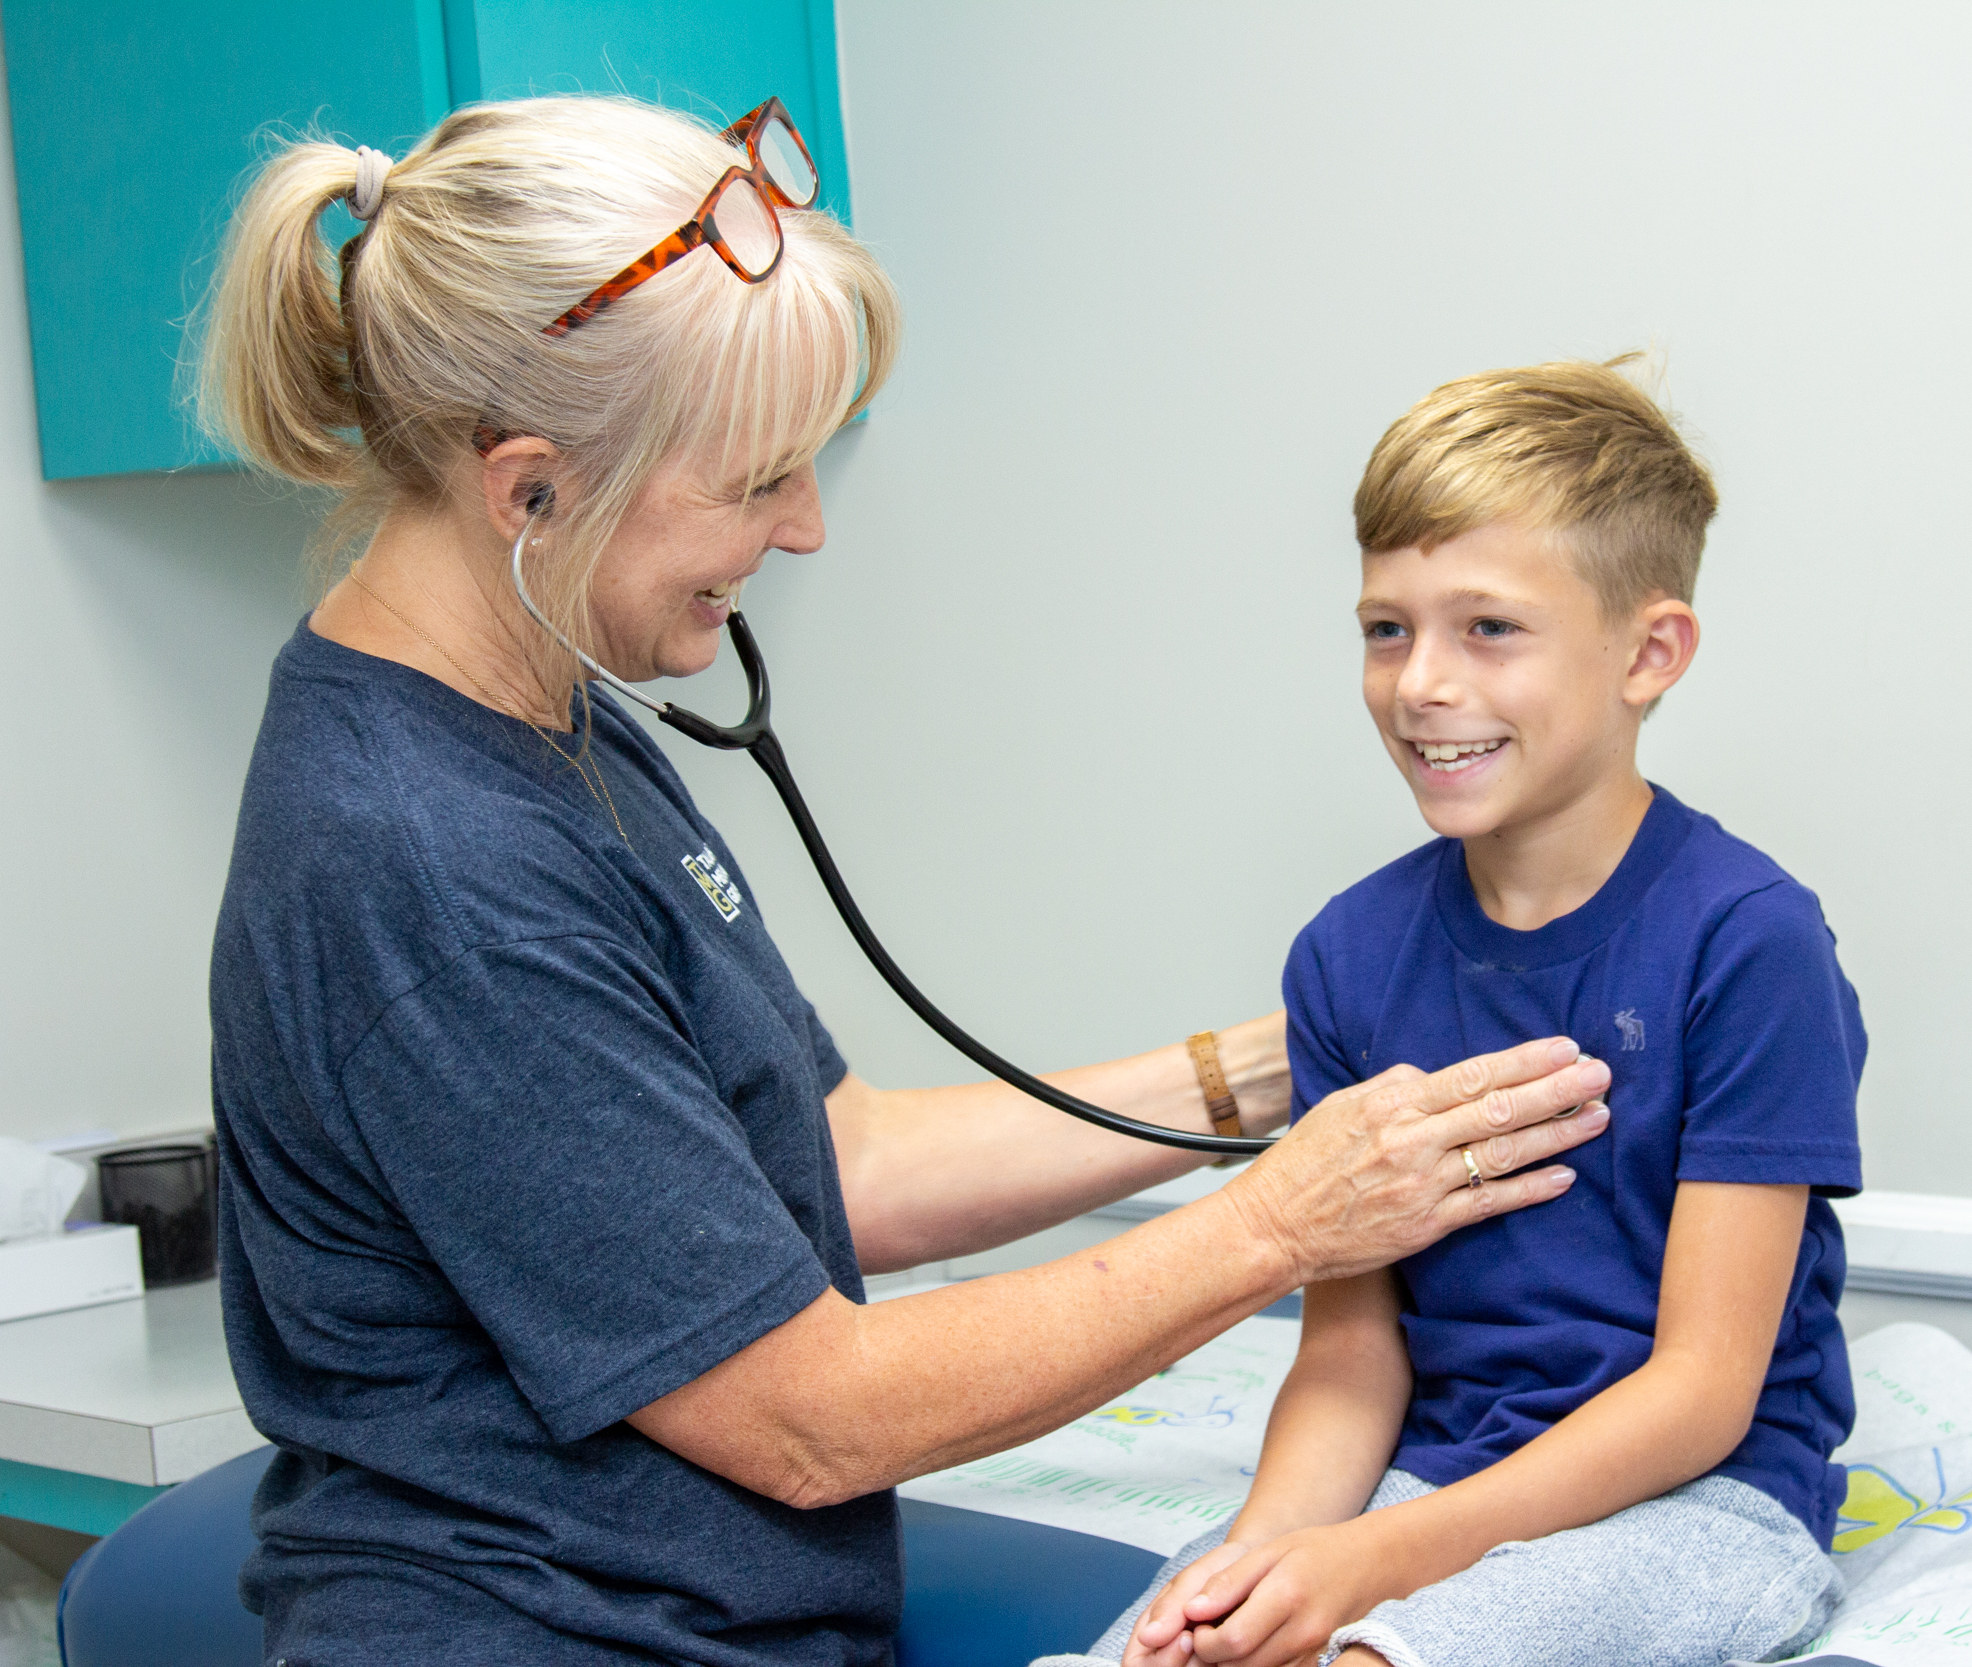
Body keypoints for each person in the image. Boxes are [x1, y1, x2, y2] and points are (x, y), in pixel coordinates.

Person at [199, 96, 1615, 1666]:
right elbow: (812, 1417)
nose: (804, 530)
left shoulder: (547, 717)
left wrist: (1271, 1072)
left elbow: (840, 1162)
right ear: (528, 489)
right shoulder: (432, 868)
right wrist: (1289, 1222)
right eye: (756, 483)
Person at [1053, 360, 1868, 1667]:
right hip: (1426, 1485)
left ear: (1649, 653)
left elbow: (1704, 1395)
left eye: (1488, 628)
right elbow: (1352, 1357)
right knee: (1174, 1648)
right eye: (1387, 628)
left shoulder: (1747, 942)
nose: (1421, 683)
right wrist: (1265, 1559)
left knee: (1386, 1659)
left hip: (1698, 1508)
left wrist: (1372, 1568)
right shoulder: (1348, 954)